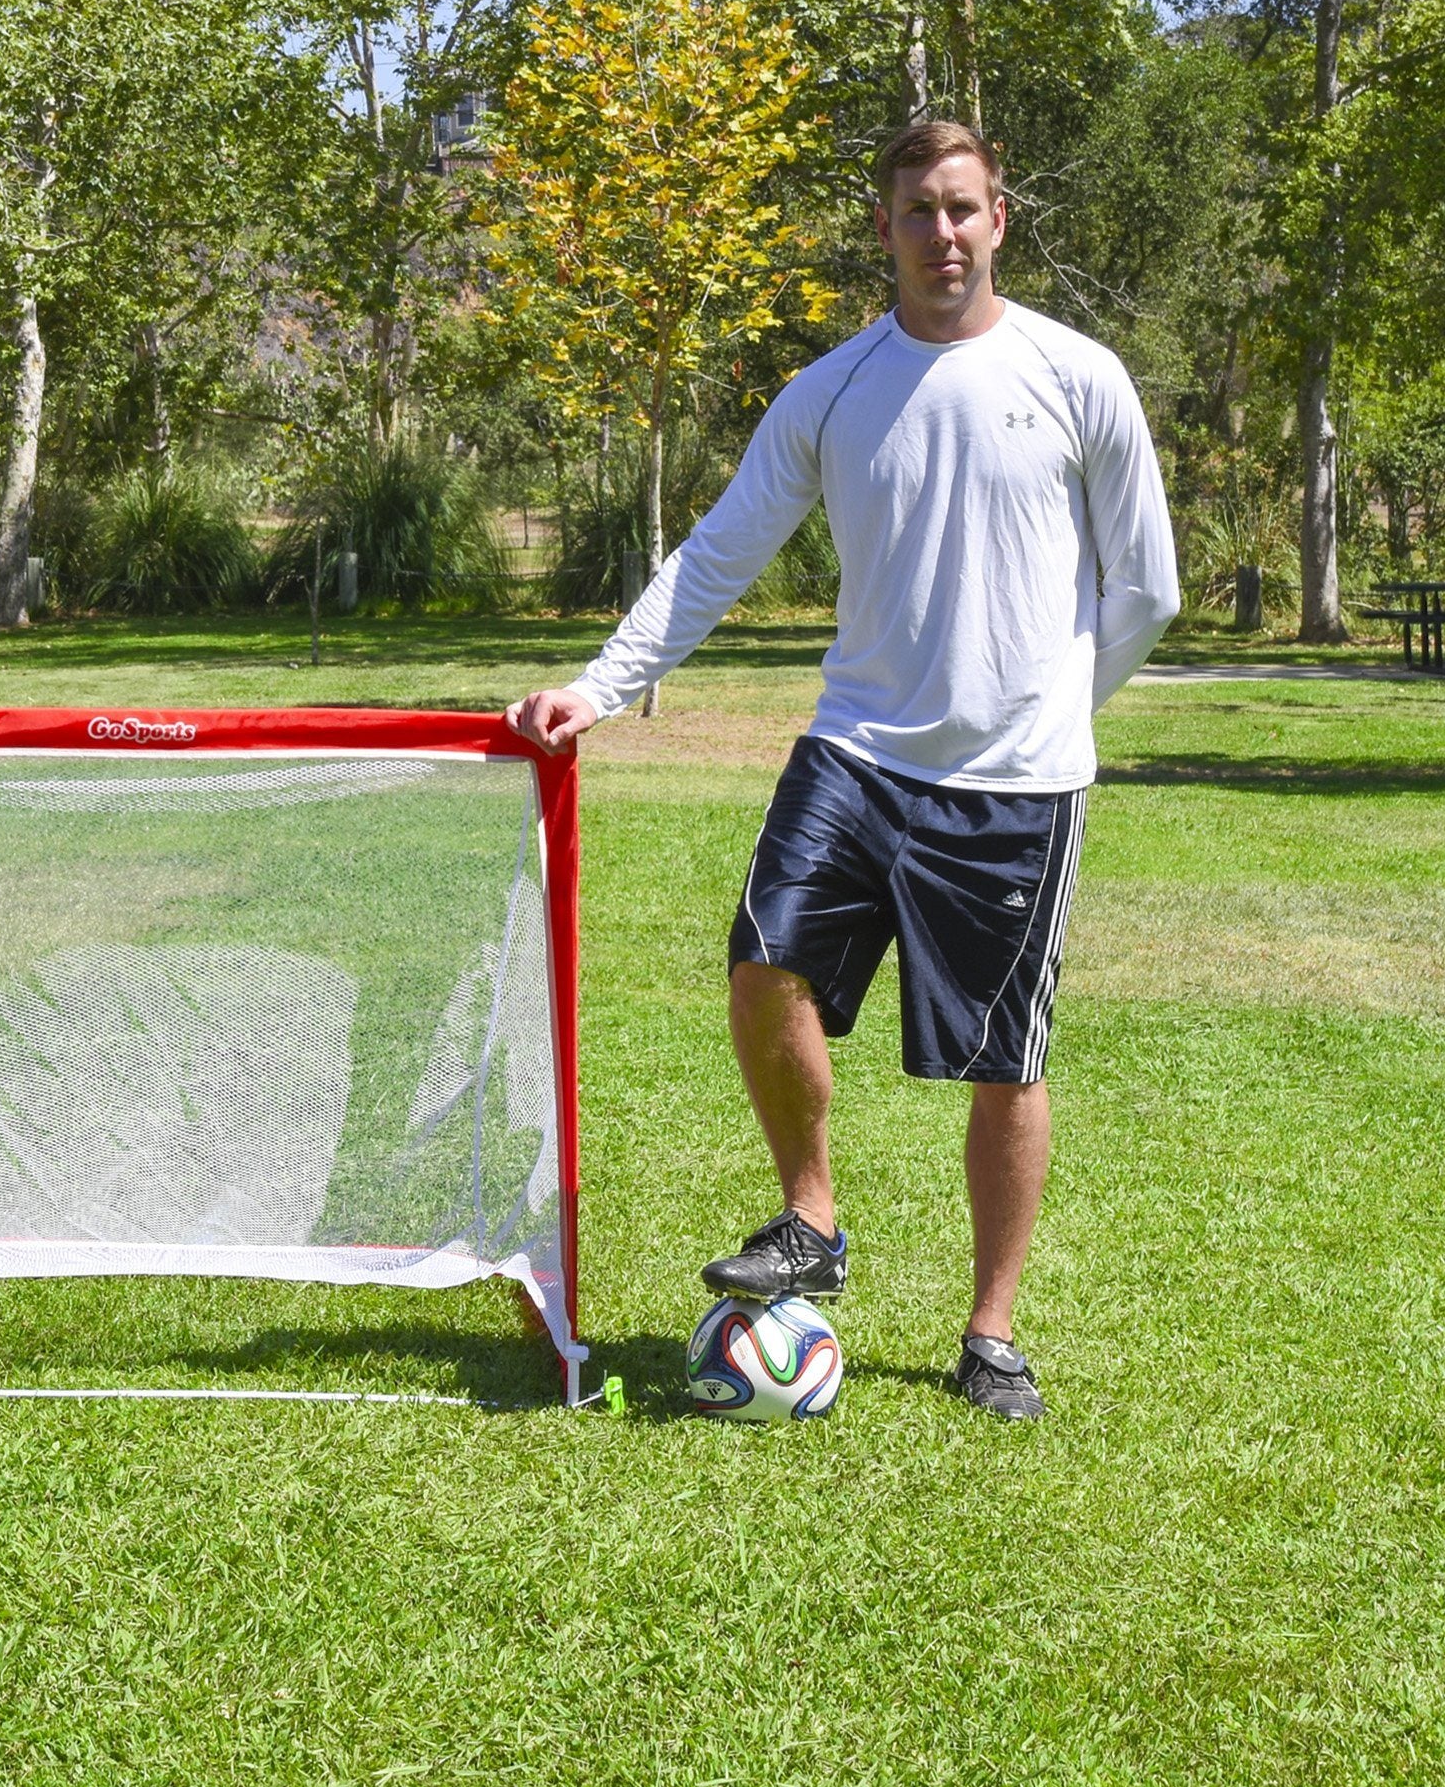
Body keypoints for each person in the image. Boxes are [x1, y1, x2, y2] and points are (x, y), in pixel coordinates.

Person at [505, 119, 1180, 1419]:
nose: (943, 232)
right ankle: (810, 1215)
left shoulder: (1079, 375)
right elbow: (716, 554)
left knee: (1003, 1062)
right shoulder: (831, 393)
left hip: (1019, 782)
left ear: (1000, 221)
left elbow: (1144, 585)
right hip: (857, 750)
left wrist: (1056, 716)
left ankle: (990, 1335)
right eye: (918, 211)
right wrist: (599, 685)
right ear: (884, 230)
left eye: (964, 208)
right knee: (764, 963)